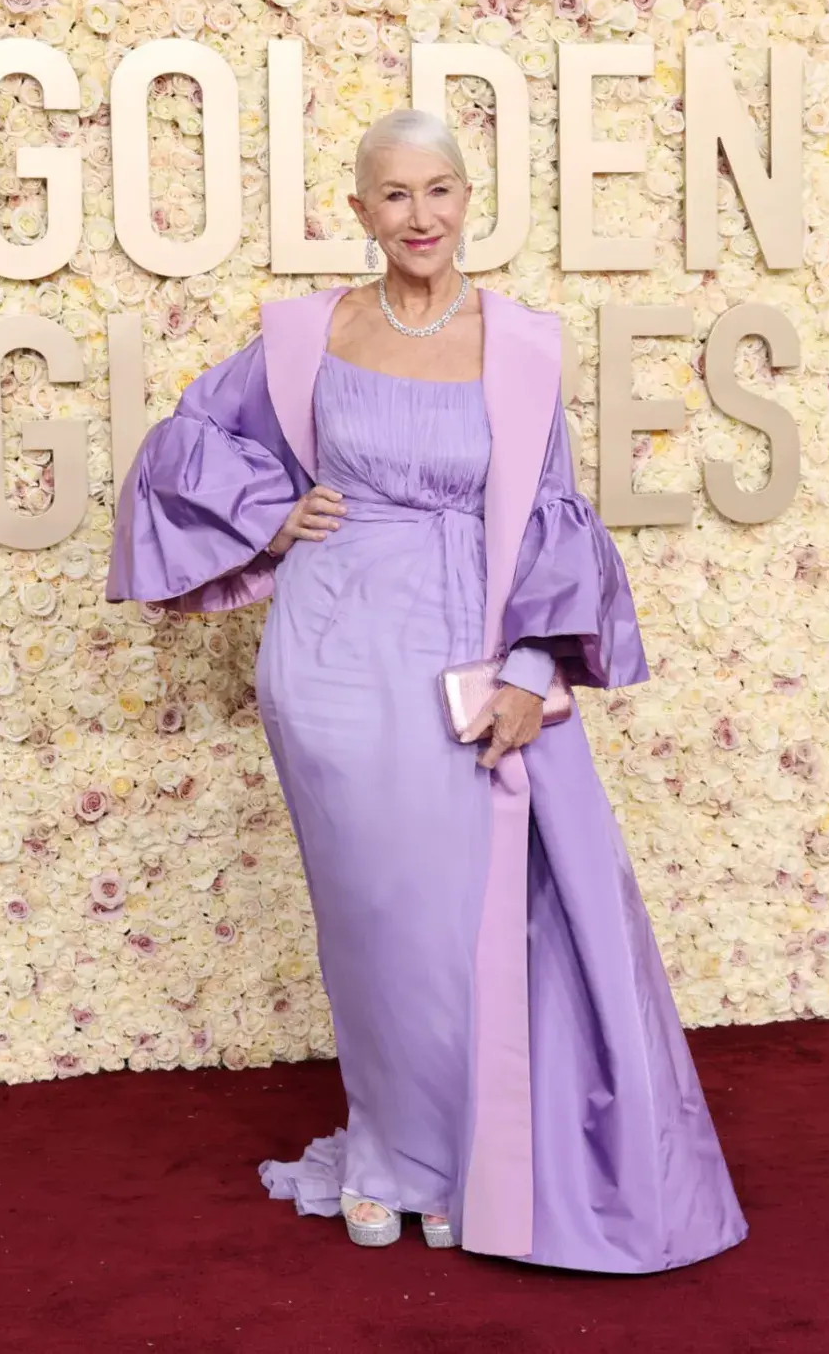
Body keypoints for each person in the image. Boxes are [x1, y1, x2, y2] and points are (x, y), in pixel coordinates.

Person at [105, 109, 748, 1271]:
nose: (421, 216)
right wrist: (269, 514)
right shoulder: (304, 335)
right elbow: (184, 442)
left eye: (440, 190)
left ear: (468, 200)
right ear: (358, 211)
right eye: (394, 196)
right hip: (330, 657)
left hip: (465, 648)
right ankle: (384, 1151)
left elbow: (554, 513)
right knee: (369, 919)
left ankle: (459, 1159)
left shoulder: (522, 345)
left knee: (463, 922)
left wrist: (531, 669)